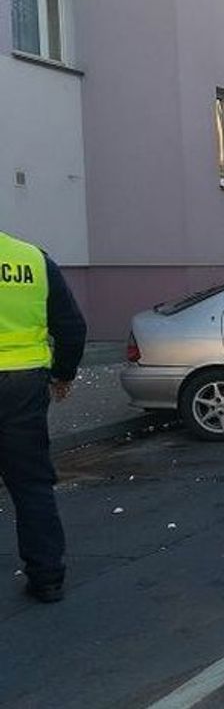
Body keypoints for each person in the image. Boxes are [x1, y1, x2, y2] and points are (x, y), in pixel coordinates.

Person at [1, 229, 87, 603]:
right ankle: (47, 577)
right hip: (24, 384)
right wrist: (63, 374)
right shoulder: (32, 259)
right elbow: (72, 327)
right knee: (31, 483)